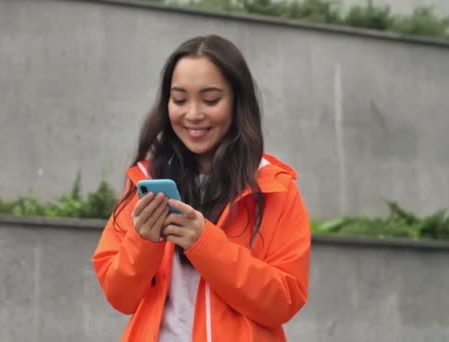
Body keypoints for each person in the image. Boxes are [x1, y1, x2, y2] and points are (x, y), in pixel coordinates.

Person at [92, 35, 311, 341]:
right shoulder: (144, 181)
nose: (193, 114)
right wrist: (143, 241)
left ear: (237, 101)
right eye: (180, 99)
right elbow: (120, 297)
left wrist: (205, 243)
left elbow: (283, 301)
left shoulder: (275, 188)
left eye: (210, 100)